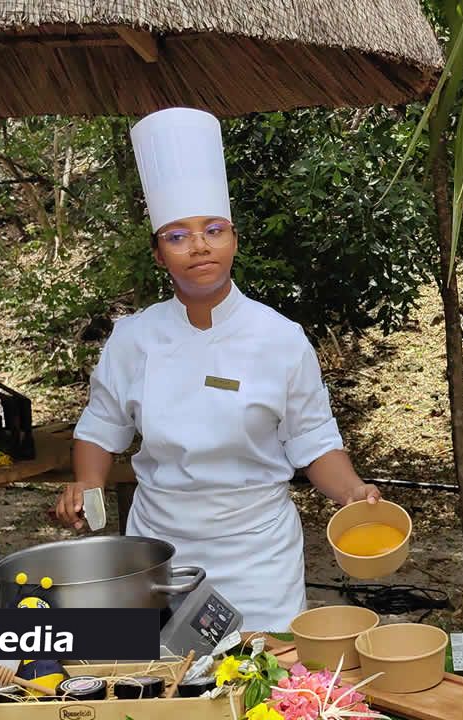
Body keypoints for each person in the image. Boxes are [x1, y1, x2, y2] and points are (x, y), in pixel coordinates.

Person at [54, 107, 380, 631]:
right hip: (160, 553)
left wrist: (351, 492)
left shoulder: (280, 338)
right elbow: (100, 428)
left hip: (259, 556)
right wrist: (86, 485)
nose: (199, 246)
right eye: (177, 236)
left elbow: (314, 441)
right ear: (159, 254)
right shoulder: (133, 338)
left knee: (262, 694)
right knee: (168, 692)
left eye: (213, 230)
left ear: (233, 239)